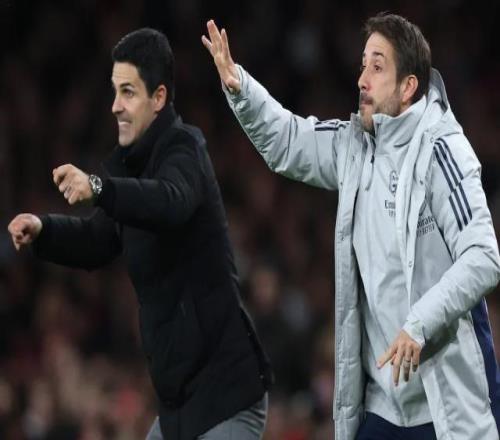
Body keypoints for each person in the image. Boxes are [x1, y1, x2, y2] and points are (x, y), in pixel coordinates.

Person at [202, 13, 500, 440]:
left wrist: (418, 324)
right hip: (382, 406)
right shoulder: (354, 146)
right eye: (363, 65)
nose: (362, 79)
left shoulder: (443, 150)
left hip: (446, 406)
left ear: (408, 87)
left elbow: (484, 257)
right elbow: (289, 140)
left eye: (377, 67)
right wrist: (239, 87)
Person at [7, 28, 272, 440]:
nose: (115, 106)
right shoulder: (127, 166)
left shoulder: (186, 149)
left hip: (228, 399)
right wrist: (44, 230)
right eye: (115, 92)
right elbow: (98, 241)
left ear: (159, 97)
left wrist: (99, 188)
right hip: (178, 408)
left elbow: (169, 201)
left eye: (128, 92)